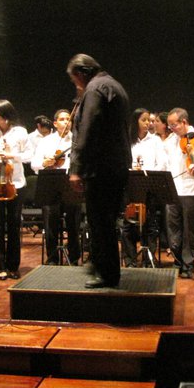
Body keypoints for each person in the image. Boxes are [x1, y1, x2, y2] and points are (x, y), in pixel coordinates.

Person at [67, 54, 131, 288]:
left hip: (101, 168)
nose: (76, 84)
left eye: (75, 79)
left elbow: (88, 129)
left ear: (81, 73)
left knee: (100, 222)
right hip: (117, 165)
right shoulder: (114, 85)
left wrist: (76, 169)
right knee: (106, 221)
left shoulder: (94, 88)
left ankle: (107, 274)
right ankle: (101, 265)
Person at [0, 99, 33, 280]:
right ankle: (1, 266)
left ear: (4, 114)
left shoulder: (20, 132)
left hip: (15, 183)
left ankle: (13, 265)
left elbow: (29, 155)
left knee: (13, 224)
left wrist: (12, 155)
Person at [31, 108, 82, 265]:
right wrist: (44, 163)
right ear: (55, 123)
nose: (66, 122)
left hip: (71, 186)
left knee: (73, 224)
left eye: (68, 119)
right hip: (51, 185)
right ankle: (52, 258)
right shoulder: (46, 141)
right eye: (62, 119)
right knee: (50, 223)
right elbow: (34, 164)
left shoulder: (77, 141)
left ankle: (74, 258)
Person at [164, 108, 194, 279]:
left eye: (173, 125)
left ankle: (188, 265)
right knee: (173, 228)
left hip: (191, 189)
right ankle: (177, 261)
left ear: (184, 122)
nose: (171, 128)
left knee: (189, 231)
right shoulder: (170, 140)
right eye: (169, 125)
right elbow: (167, 163)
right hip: (173, 189)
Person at [122, 108, 166, 268]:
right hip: (130, 187)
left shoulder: (155, 141)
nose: (148, 123)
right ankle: (130, 260)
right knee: (129, 224)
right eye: (144, 120)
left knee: (150, 224)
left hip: (149, 187)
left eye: (149, 120)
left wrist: (148, 175)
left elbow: (162, 163)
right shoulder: (127, 140)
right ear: (136, 122)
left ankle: (149, 259)